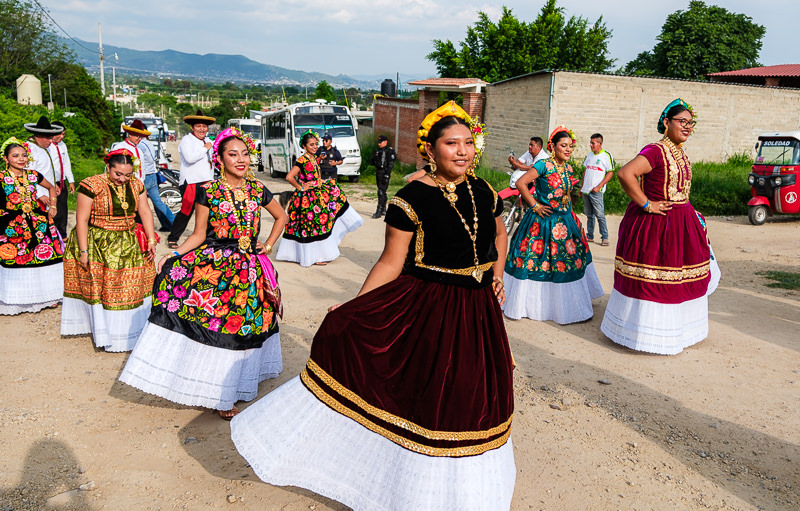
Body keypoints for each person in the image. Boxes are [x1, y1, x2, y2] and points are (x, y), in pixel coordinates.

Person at [231, 101, 516, 510]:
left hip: (479, 311)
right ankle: (411, 493)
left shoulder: (485, 190)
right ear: (430, 150)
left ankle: (467, 496)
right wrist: (357, 306)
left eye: (468, 142)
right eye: (451, 143)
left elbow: (499, 236)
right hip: (431, 309)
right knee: (431, 399)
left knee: (476, 398)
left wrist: (496, 275)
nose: (462, 151)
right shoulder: (410, 198)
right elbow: (390, 262)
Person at [119, 127, 288, 420]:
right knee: (220, 328)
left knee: (247, 325)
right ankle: (220, 394)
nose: (241, 160)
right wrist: (174, 255)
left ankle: (239, 382)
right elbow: (198, 234)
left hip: (251, 268)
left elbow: (281, 216)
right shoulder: (207, 190)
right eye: (233, 154)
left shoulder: (257, 189)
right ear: (219, 159)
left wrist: (269, 245)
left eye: (245, 154)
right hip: (218, 266)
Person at [601, 99, 720, 355]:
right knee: (655, 278)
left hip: (680, 224)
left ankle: (678, 331)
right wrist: (647, 204)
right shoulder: (656, 150)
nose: (687, 127)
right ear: (666, 123)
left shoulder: (680, 153)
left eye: (691, 123)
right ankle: (645, 335)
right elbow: (625, 173)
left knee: (681, 278)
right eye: (682, 121)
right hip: (656, 225)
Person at [502, 126, 604, 324]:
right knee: (537, 261)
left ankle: (565, 307)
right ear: (553, 147)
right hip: (542, 222)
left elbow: (567, 196)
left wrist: (574, 217)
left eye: (570, 146)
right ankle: (535, 306)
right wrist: (535, 205)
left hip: (565, 221)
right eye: (563, 146)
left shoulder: (568, 168)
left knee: (568, 260)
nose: (568, 149)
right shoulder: (543, 165)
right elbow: (521, 183)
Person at [61, 149, 157, 352]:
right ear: (108, 167)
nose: (122, 179)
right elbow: (82, 219)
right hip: (99, 242)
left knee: (131, 287)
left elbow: (145, 211)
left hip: (128, 240)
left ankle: (129, 332)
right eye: (118, 174)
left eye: (127, 175)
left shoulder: (136, 184)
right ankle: (107, 333)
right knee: (106, 290)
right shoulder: (91, 185)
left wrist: (150, 239)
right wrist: (84, 251)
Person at [276, 131, 363, 266]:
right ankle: (311, 257)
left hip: (317, 195)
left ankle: (317, 255)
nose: (315, 147)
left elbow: (314, 176)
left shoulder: (314, 158)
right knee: (310, 227)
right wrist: (301, 187)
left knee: (320, 223)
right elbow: (289, 177)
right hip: (306, 200)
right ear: (304, 146)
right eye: (311, 145)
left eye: (316, 144)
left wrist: (322, 182)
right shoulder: (302, 160)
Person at [0, 137, 63, 314]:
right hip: (11, 224)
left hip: (37, 222)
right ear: (6, 159)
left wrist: (53, 205)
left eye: (24, 155)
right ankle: (15, 299)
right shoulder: (2, 177)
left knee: (43, 257)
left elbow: (52, 188)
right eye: (15, 156)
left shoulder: (33, 175)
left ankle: (48, 296)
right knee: (14, 258)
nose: (21, 159)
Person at [112, 119, 175, 232]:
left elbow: (142, 170)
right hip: (126, 184)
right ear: (129, 134)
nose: (139, 138)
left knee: (143, 208)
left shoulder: (139, 150)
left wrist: (141, 186)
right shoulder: (120, 148)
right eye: (137, 136)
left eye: (141, 136)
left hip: (141, 182)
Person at [167, 110, 215, 248]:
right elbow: (189, 158)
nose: (202, 129)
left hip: (207, 180)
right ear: (192, 127)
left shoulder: (208, 141)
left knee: (208, 211)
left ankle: (206, 237)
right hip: (191, 182)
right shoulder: (186, 140)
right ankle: (173, 238)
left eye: (204, 126)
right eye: (198, 126)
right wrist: (205, 148)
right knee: (186, 211)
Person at [580, 133, 614, 246]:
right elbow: (585, 171)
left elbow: (610, 173)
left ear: (600, 143)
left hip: (596, 191)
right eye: (590, 143)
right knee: (589, 215)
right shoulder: (589, 155)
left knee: (600, 215)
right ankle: (590, 235)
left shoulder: (606, 155)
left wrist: (599, 186)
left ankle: (605, 237)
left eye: (593, 143)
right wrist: (582, 187)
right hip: (586, 190)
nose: (591, 145)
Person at [24, 116, 62, 216]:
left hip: (48, 192)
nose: (50, 141)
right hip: (36, 196)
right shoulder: (30, 150)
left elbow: (46, 169)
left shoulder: (45, 148)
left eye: (51, 138)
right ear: (37, 136)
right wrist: (39, 195)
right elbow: (28, 175)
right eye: (47, 138)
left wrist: (54, 184)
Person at [47, 121, 75, 238]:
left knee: (63, 208)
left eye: (63, 134)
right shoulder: (47, 146)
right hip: (49, 182)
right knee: (52, 208)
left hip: (61, 181)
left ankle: (62, 234)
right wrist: (53, 183)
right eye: (59, 134)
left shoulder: (63, 145)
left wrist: (71, 180)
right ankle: (51, 234)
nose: (62, 137)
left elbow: (66, 163)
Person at [370, 134, 396, 218]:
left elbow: (391, 165)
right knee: (382, 191)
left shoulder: (389, 151)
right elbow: (372, 162)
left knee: (381, 191)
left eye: (380, 142)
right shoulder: (378, 151)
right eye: (378, 142)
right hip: (378, 172)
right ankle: (384, 209)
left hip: (385, 172)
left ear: (385, 142)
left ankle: (379, 210)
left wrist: (387, 175)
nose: (379, 144)